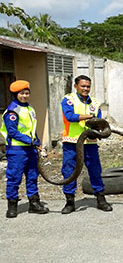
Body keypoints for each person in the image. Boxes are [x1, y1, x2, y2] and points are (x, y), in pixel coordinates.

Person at [60, 75, 112, 214]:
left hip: (90, 143)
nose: (86, 89)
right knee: (69, 171)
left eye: (88, 86)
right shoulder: (68, 100)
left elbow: (100, 122)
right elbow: (70, 117)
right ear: (76, 86)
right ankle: (70, 202)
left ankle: (101, 199)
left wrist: (101, 130)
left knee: (95, 170)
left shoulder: (95, 103)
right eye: (83, 86)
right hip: (72, 142)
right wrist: (90, 117)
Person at [1, 80, 49, 218]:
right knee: (14, 178)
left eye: (27, 93)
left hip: (30, 150)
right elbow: (12, 132)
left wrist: (37, 141)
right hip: (17, 150)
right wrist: (30, 141)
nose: (25, 96)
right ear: (15, 94)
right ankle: (12, 206)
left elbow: (31, 129)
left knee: (32, 176)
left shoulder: (29, 108)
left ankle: (34, 204)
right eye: (21, 93)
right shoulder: (12, 110)